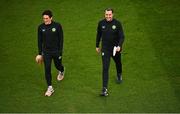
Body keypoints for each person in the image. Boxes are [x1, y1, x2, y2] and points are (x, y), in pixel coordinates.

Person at [96, 8, 125, 96]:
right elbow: (98, 35)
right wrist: (97, 45)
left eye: (109, 15)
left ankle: (119, 74)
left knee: (118, 63)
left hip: (115, 49)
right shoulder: (101, 23)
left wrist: (119, 46)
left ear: (113, 14)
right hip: (105, 49)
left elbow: (122, 36)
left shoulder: (117, 23)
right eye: (106, 15)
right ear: (104, 15)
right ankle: (104, 89)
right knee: (105, 68)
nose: (108, 16)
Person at [35, 10, 65, 97]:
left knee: (57, 66)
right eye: (44, 18)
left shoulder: (57, 26)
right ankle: (50, 87)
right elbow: (39, 41)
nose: (45, 20)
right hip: (46, 52)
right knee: (47, 69)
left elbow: (61, 39)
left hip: (56, 51)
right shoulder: (40, 27)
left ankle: (62, 70)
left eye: (47, 18)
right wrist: (40, 53)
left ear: (51, 18)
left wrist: (60, 51)